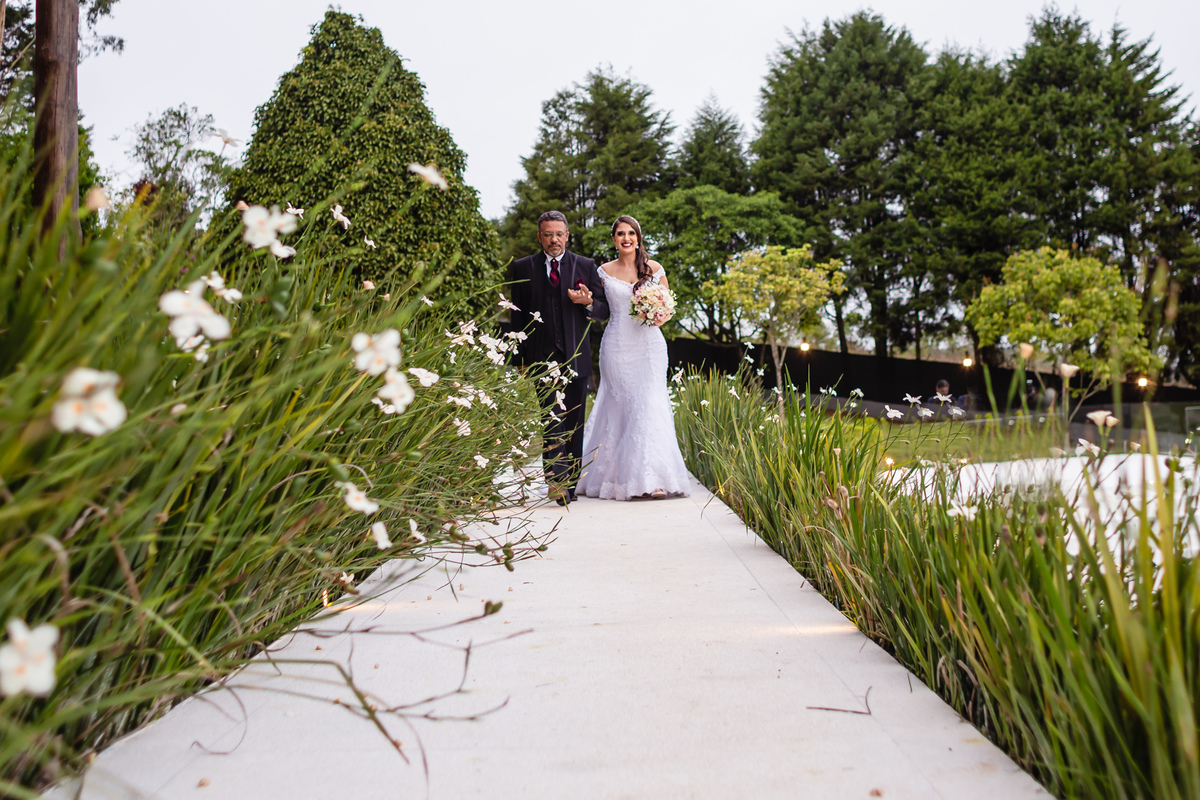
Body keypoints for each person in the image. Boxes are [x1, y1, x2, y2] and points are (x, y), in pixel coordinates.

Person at [575, 216, 690, 501]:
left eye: (631, 233)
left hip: (650, 348)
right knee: (620, 408)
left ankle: (654, 479)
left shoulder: (655, 269)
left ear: (638, 238)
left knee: (649, 405)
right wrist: (589, 302)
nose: (626, 238)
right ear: (614, 239)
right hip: (616, 346)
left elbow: (667, 307)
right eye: (620, 233)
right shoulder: (603, 271)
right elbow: (601, 311)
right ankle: (618, 478)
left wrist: (657, 313)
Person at [509, 211, 610, 505]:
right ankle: (556, 481)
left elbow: (603, 310)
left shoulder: (585, 265)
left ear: (567, 236)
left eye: (558, 234)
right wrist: (519, 359)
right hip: (540, 357)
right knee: (550, 417)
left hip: (576, 356)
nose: (554, 240)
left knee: (573, 421)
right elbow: (516, 316)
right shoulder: (523, 267)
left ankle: (571, 485)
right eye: (548, 234)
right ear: (539, 237)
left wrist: (587, 302)